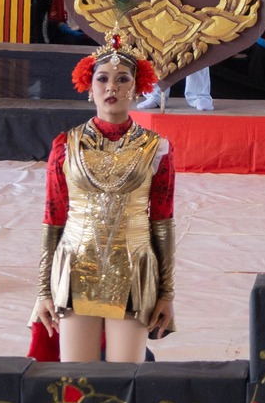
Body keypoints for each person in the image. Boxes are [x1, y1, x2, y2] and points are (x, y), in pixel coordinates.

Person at [31, 35, 176, 364]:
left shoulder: (158, 148)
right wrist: (43, 291)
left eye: (123, 79)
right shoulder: (65, 145)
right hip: (76, 266)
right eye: (103, 79)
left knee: (123, 383)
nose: (113, 87)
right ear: (89, 86)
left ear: (138, 88)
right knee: (77, 381)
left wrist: (166, 294)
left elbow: (162, 223)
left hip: (134, 270)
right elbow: (53, 219)